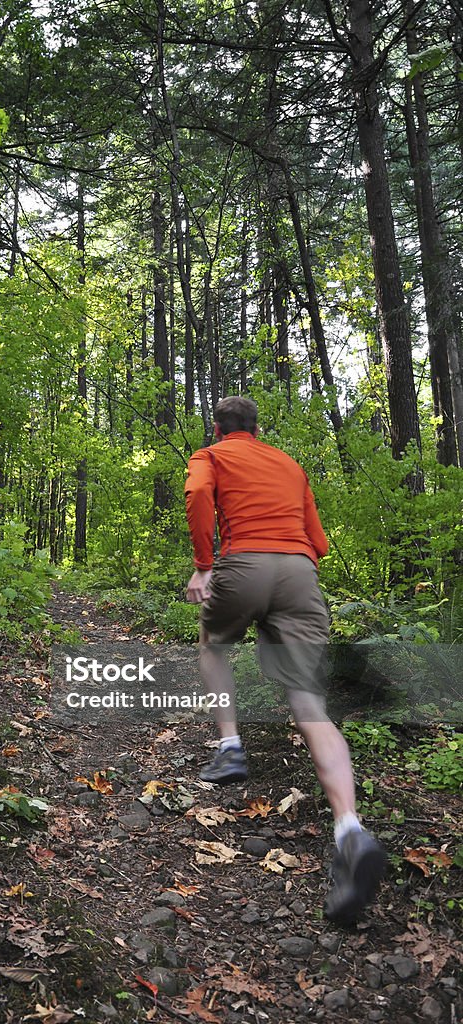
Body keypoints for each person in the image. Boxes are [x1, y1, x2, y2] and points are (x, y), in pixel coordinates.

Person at [184, 395, 386, 924]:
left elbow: (199, 496)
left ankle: (229, 747)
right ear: (256, 427)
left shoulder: (211, 456)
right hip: (299, 570)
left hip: (244, 560)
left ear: (217, 426)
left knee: (214, 645)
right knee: (307, 700)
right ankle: (351, 830)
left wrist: (205, 565)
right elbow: (316, 533)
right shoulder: (289, 463)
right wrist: (297, 565)